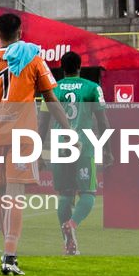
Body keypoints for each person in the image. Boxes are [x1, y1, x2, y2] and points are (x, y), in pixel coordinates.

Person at [0, 11, 68, 276]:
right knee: (14, 196)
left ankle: (6, 254)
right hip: (21, 135)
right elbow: (50, 98)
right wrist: (68, 129)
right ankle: (10, 256)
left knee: (1, 194)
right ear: (20, 32)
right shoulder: (33, 59)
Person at [50, 52, 103, 256]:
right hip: (83, 147)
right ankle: (72, 224)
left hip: (59, 146)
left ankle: (68, 244)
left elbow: (44, 120)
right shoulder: (92, 88)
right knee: (88, 193)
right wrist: (107, 149)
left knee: (65, 194)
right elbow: (102, 120)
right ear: (80, 66)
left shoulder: (53, 89)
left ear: (62, 68)